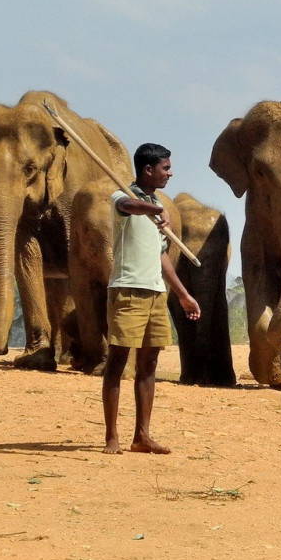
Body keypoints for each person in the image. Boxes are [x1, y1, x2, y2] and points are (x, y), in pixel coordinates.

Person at [102, 143, 199, 455]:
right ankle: (111, 437)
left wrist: (183, 295)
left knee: (149, 364)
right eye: (165, 168)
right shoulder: (123, 197)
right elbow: (130, 208)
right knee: (118, 361)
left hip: (156, 292)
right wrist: (156, 211)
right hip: (127, 290)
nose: (170, 173)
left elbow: (161, 256)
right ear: (148, 170)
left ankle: (142, 436)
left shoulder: (156, 207)